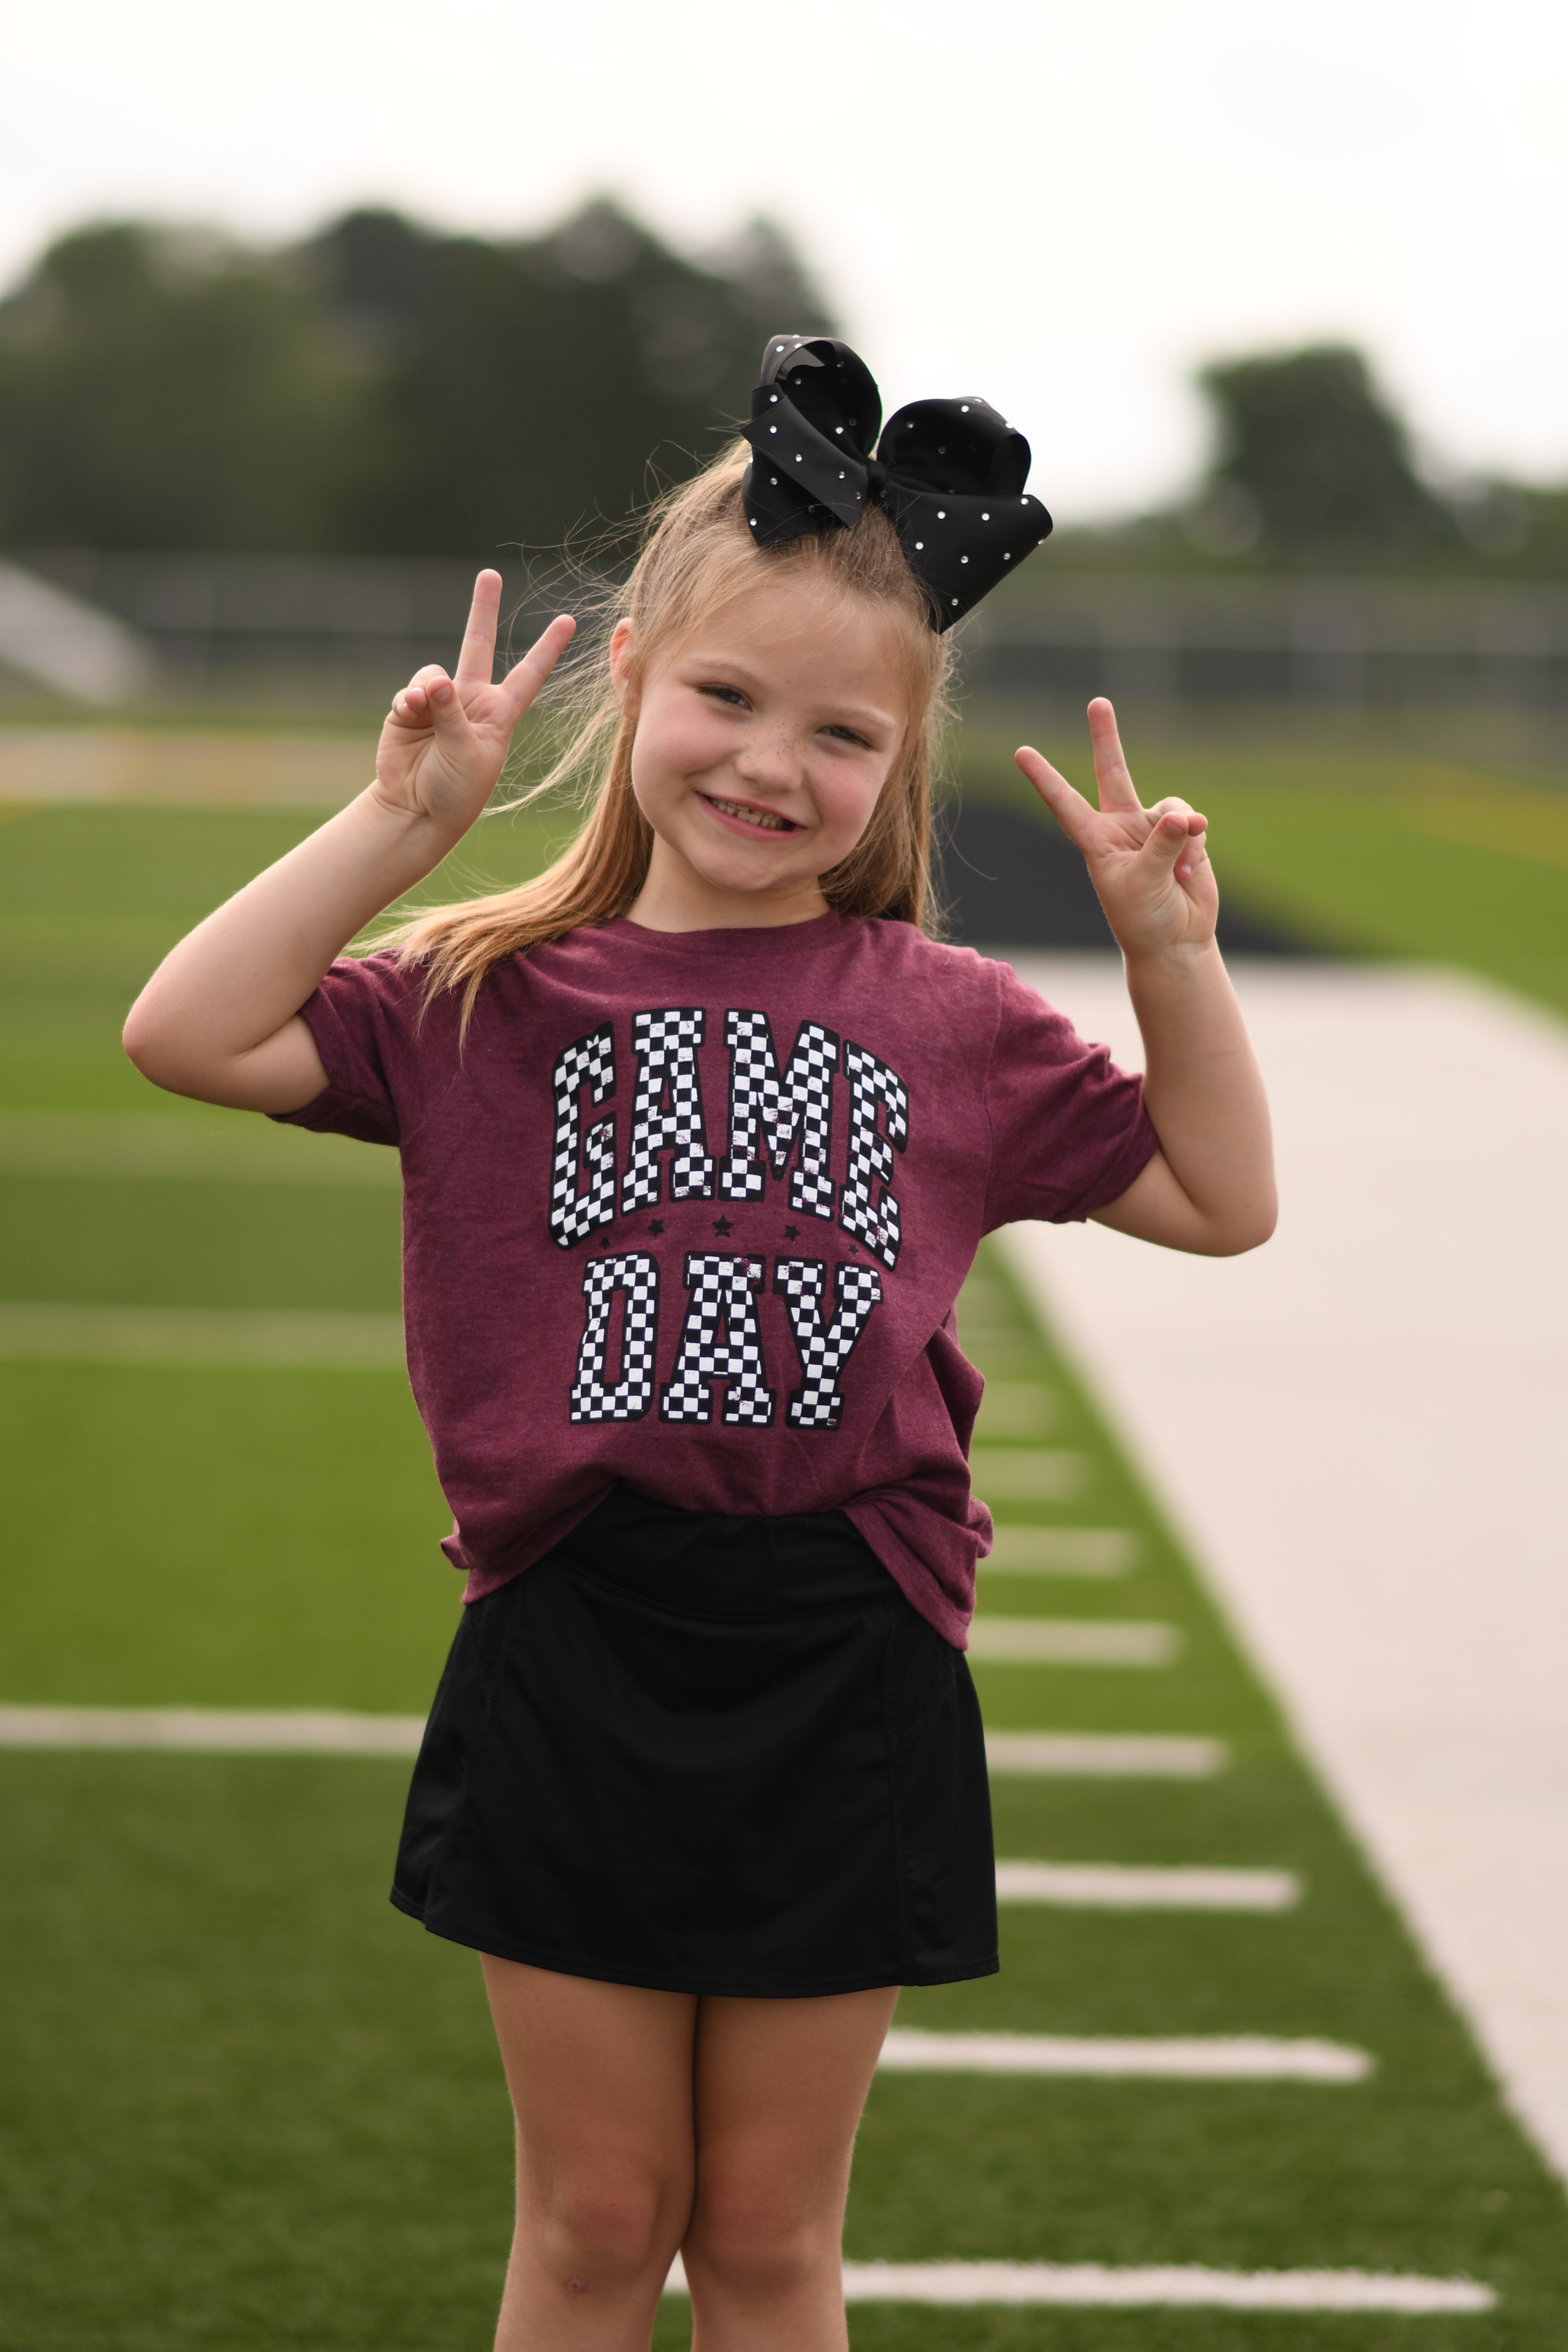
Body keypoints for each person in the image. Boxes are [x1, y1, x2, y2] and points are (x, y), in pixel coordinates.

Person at [123, 335, 1275, 2352]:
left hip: (851, 1644)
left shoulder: (947, 1015)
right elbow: (189, 1032)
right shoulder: (491, 987)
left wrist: (1170, 955)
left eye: (837, 734)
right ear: (631, 679)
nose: (770, 763)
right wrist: (402, 827)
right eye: (726, 697)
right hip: (577, 1632)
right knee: (590, 2220)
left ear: (893, 771)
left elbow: (1214, 1196)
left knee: (759, 2238)